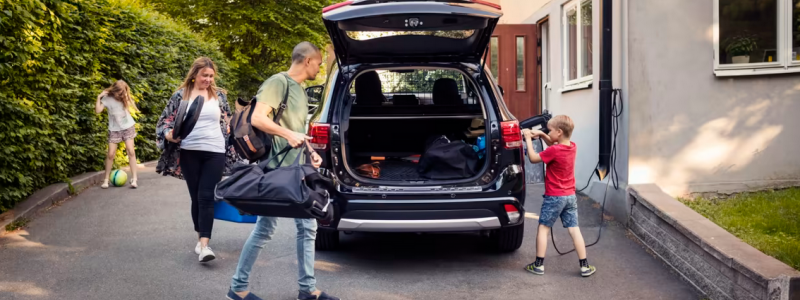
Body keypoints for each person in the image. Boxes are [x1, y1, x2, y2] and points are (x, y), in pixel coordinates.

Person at [226, 42, 340, 300]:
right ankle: (238, 287)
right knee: (266, 229)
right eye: (319, 62)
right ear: (307, 60)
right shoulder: (278, 82)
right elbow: (258, 118)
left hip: (297, 169)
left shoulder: (300, 90)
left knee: (308, 228)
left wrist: (310, 152)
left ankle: (307, 289)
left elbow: (297, 129)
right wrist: (288, 134)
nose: (320, 67)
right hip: (277, 171)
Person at [155, 57, 241, 263]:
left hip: (215, 151)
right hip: (189, 151)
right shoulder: (180, 95)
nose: (208, 80)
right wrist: (168, 135)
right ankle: (200, 237)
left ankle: (205, 245)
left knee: (206, 196)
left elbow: (228, 121)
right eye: (204, 75)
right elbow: (164, 121)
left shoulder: (219, 96)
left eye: (211, 76)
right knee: (196, 197)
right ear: (194, 75)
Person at [521, 115, 597, 277]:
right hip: (570, 196)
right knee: (574, 230)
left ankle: (538, 265)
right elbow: (553, 142)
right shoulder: (572, 146)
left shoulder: (553, 151)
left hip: (554, 197)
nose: (548, 133)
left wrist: (528, 139)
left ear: (559, 132)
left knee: (543, 228)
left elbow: (533, 159)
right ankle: (584, 266)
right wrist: (542, 134)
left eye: (550, 130)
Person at [95, 80, 139, 189]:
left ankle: (134, 179)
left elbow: (129, 104)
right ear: (115, 90)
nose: (121, 94)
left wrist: (126, 97)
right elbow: (98, 111)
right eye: (119, 92)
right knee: (111, 154)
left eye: (123, 92)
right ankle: (106, 180)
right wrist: (99, 97)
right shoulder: (107, 98)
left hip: (127, 126)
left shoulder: (124, 97)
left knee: (131, 151)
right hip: (114, 129)